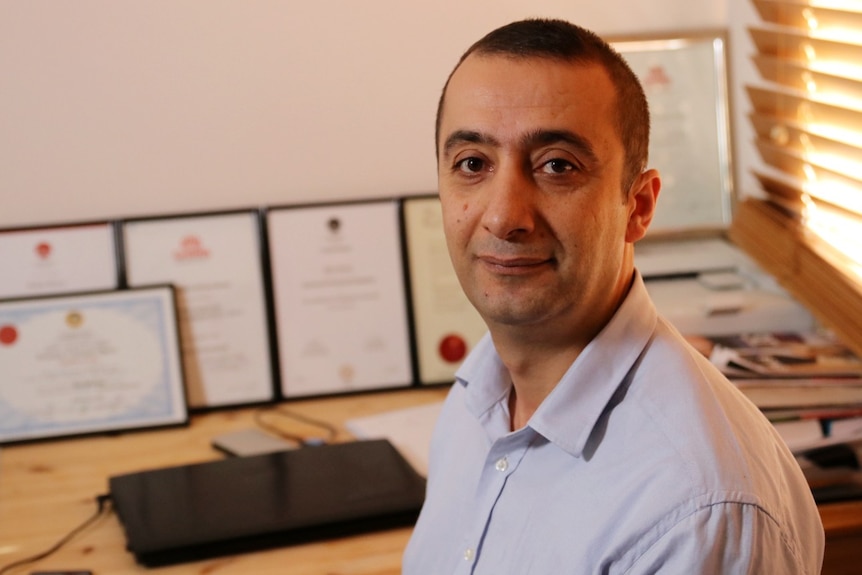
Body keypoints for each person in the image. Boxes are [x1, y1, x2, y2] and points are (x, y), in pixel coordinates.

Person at [402, 18, 824, 574]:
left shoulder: (700, 508)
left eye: (557, 165)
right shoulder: (475, 399)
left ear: (639, 205)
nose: (504, 216)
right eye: (473, 164)